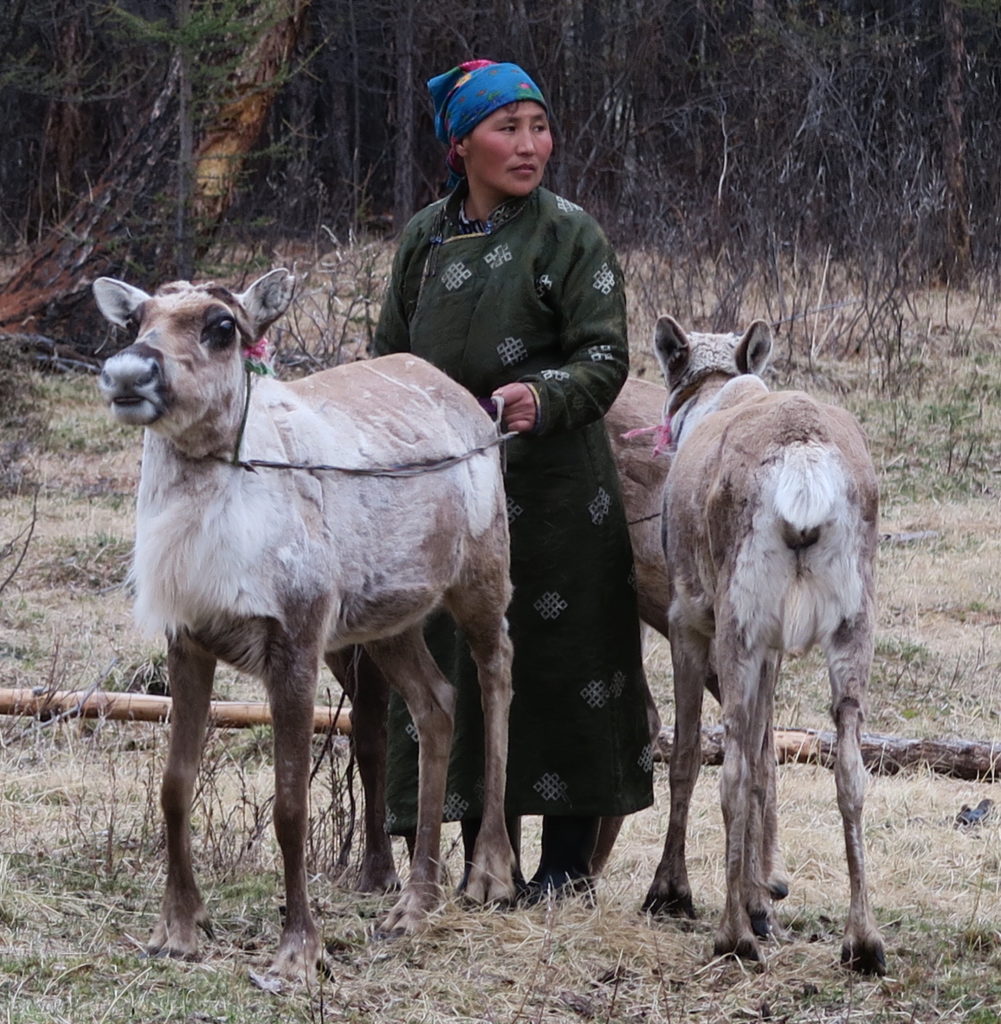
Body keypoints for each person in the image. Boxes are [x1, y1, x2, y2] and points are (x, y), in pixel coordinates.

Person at [372, 58, 653, 899]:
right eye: (507, 128)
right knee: (456, 654)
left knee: (568, 659)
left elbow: (605, 356)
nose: (529, 146)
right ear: (460, 145)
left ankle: (565, 869)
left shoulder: (571, 234)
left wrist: (546, 393)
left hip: (559, 490)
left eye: (538, 127)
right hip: (450, 495)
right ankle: (475, 855)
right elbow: (388, 359)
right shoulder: (424, 238)